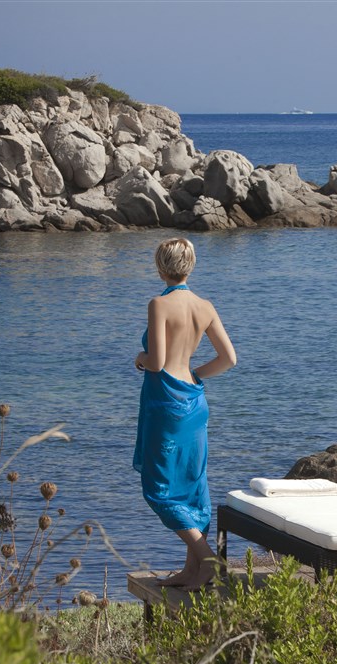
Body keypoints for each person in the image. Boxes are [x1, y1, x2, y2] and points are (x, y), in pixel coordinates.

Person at [133, 238, 237, 591]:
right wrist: (196, 375)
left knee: (159, 489)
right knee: (193, 485)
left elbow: (157, 362)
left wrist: (140, 359)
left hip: (166, 403)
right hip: (194, 400)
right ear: (190, 266)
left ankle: (209, 562)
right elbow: (229, 359)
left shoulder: (159, 304)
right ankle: (192, 571)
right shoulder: (204, 306)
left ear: (160, 267)